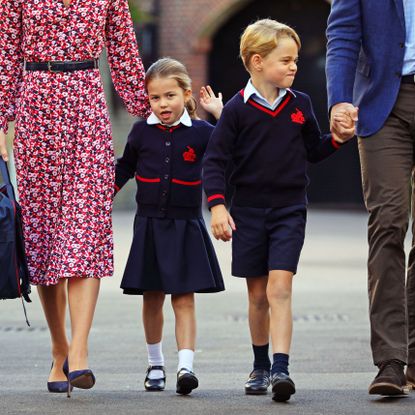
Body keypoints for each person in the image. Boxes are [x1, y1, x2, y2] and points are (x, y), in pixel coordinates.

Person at [0, 0, 150, 396]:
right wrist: (1, 120)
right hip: (36, 109)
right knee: (43, 236)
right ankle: (59, 349)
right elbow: (6, 55)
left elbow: (123, 49)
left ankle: (80, 352)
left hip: (87, 106)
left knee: (86, 228)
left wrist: (152, 113)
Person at [203, 18, 355, 402]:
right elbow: (215, 162)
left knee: (280, 288)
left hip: (289, 210)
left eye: (296, 60)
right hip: (249, 212)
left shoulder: (300, 105)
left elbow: (314, 150)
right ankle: (260, 364)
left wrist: (336, 139)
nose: (293, 67)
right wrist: (218, 207)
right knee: (257, 296)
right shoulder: (236, 110)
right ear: (257, 62)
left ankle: (282, 368)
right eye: (285, 60)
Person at [114, 58, 224, 395]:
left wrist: (221, 115)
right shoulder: (140, 131)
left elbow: (234, 148)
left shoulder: (204, 133)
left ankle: (185, 368)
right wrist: (98, 198)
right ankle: (156, 363)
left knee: (184, 298)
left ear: (186, 94)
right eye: (155, 98)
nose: (163, 104)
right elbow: (125, 168)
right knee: (151, 297)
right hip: (149, 225)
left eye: (170, 96)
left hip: (186, 225)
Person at [326, 0, 415, 396]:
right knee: (389, 224)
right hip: (384, 105)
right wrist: (339, 98)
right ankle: (391, 361)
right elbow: (343, 34)